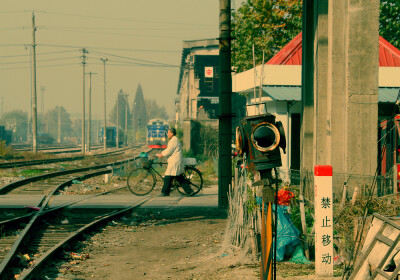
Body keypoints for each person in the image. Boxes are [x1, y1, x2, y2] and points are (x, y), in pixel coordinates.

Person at [156, 127, 194, 196]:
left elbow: (169, 150)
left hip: (174, 162)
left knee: (168, 177)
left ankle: (165, 192)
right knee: (179, 177)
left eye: (168, 133)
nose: (167, 134)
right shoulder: (174, 140)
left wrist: (161, 154)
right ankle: (189, 191)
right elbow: (169, 149)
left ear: (172, 133)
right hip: (175, 161)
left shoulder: (174, 140)